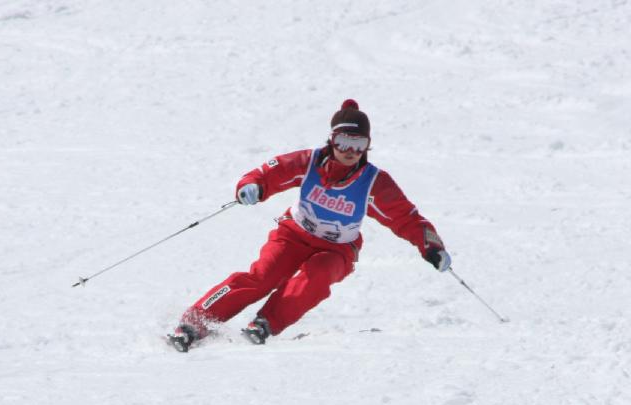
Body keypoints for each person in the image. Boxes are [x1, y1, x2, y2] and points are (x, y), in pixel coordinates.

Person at [168, 99, 451, 352]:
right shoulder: (309, 162)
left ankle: (265, 324)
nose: (350, 151)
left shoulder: (374, 182)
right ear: (332, 140)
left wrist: (431, 246)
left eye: (358, 144)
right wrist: (252, 186)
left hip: (338, 248)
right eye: (343, 141)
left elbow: (406, 218)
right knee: (264, 276)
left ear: (368, 146)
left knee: (318, 274)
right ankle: (194, 323)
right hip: (294, 235)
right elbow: (270, 172)